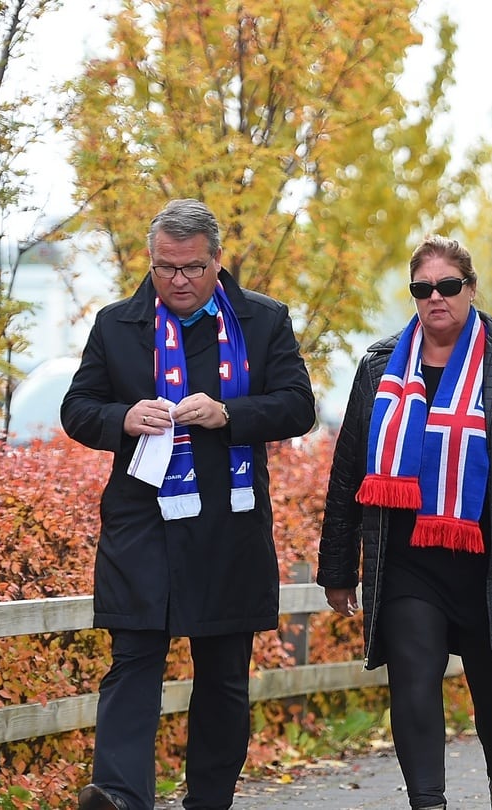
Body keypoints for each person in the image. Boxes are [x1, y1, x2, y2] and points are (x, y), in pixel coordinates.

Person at [316, 236, 492, 810]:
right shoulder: (380, 367)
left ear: (470, 289)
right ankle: (429, 803)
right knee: (413, 685)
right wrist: (338, 566)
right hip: (408, 564)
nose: (435, 298)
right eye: (423, 289)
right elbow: (349, 469)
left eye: (448, 286)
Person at [61, 199, 316, 810]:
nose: (177, 280)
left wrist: (230, 414)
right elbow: (77, 409)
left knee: (224, 676)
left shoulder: (262, 321)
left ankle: (209, 799)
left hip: (227, 525)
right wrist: (123, 417)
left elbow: (297, 405)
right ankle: (121, 798)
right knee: (132, 662)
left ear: (217, 262)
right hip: (141, 525)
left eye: (191, 268)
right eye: (164, 267)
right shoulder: (117, 324)